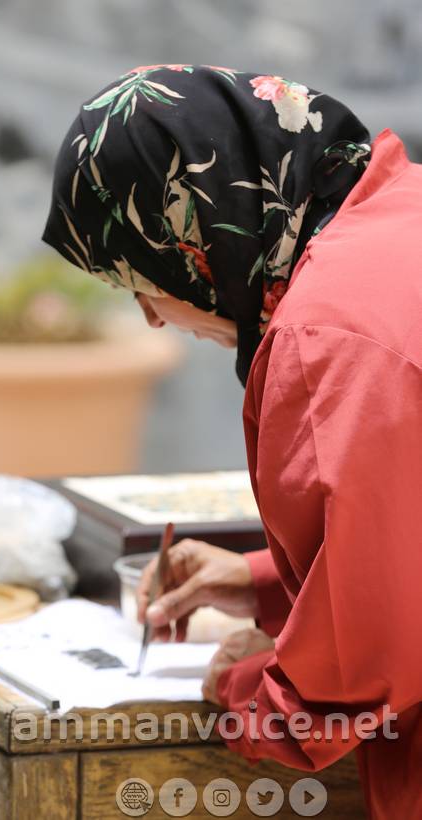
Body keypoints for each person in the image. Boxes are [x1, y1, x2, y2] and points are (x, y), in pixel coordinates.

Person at [42, 65, 422, 820]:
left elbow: (359, 672)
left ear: (194, 239)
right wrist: (263, 581)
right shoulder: (399, 215)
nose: (153, 316)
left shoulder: (324, 336)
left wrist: (250, 688)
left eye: (138, 276)